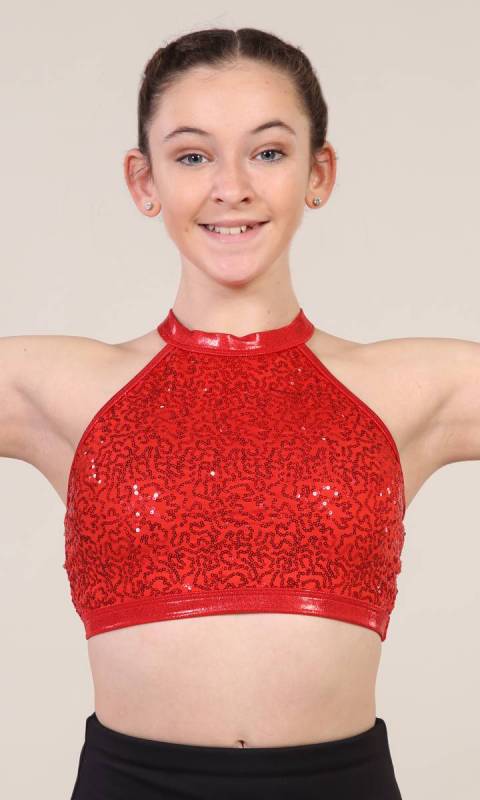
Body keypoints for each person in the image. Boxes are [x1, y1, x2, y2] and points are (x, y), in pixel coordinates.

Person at [1, 25, 479, 800]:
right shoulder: (59, 388)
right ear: (144, 181)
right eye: (193, 156)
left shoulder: (411, 388)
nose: (232, 186)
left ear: (318, 173)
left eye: (268, 151)